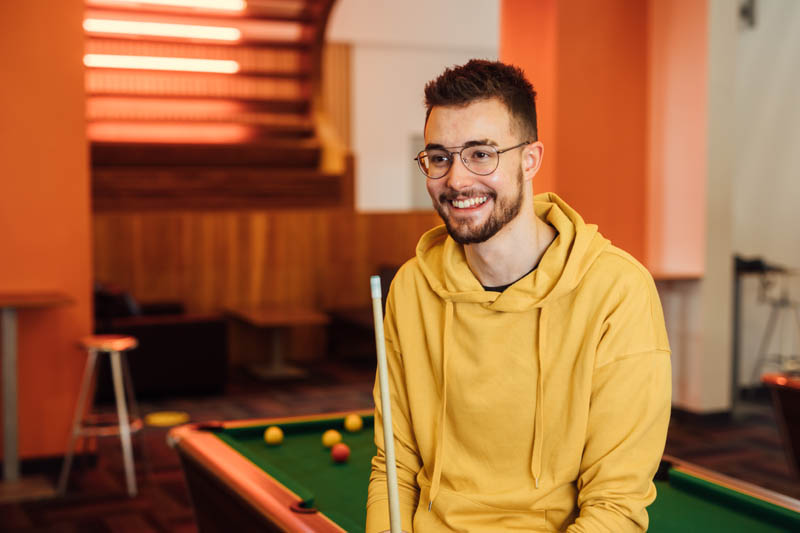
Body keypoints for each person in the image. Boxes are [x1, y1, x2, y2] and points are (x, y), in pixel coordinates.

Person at [366, 59, 671, 532]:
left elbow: (614, 505)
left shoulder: (617, 292)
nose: (457, 180)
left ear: (530, 160)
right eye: (439, 157)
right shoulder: (410, 288)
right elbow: (395, 467)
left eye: (481, 154)